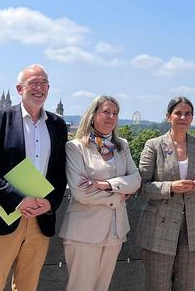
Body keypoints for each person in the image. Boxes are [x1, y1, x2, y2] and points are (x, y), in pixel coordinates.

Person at [0, 64, 68, 291]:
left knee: (28, 285)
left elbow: (60, 172)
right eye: (33, 83)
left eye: (43, 83)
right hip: (4, 215)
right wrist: (18, 200)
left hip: (40, 218)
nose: (39, 88)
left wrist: (50, 203)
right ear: (19, 88)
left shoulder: (57, 124)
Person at [59, 95, 140, 291]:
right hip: (84, 232)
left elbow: (136, 180)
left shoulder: (122, 146)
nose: (111, 116)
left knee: (102, 288)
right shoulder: (76, 147)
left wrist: (107, 185)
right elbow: (81, 192)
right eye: (106, 111)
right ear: (93, 115)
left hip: (115, 231)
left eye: (115, 113)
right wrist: (118, 195)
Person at [137, 97, 195, 291]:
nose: (183, 117)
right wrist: (170, 187)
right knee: (157, 286)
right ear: (168, 116)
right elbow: (141, 186)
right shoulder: (154, 145)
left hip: (192, 229)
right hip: (159, 228)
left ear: (192, 118)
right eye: (178, 113)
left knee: (186, 286)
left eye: (188, 114)